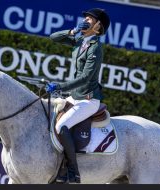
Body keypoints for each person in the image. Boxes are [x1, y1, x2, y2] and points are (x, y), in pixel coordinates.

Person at [46, 8, 110, 183]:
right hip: (74, 96)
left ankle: (73, 171)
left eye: (90, 19)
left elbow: (85, 78)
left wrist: (60, 86)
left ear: (97, 26)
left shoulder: (95, 48)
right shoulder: (79, 38)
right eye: (86, 18)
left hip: (88, 99)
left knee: (61, 126)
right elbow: (53, 37)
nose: (86, 20)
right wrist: (73, 30)